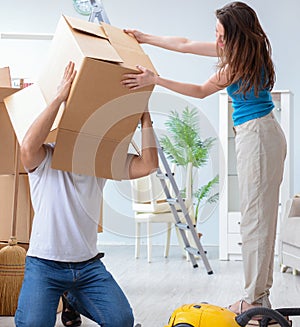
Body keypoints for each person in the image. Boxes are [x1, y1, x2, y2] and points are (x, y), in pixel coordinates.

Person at [121, 1, 287, 316]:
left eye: (222, 35)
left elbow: (199, 90)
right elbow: (184, 45)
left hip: (259, 138)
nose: (218, 41)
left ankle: (255, 301)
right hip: (260, 135)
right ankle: (259, 299)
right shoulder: (246, 49)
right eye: (217, 35)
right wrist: (145, 37)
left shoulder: (238, 62)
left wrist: (154, 80)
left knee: (255, 222)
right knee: (258, 220)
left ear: (236, 35)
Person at [15, 61, 158, 327]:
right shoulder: (45, 156)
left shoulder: (101, 159)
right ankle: (66, 296)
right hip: (44, 265)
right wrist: (60, 97)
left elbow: (148, 164)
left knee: (122, 321)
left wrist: (144, 116)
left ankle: (72, 298)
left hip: (87, 267)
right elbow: (27, 146)